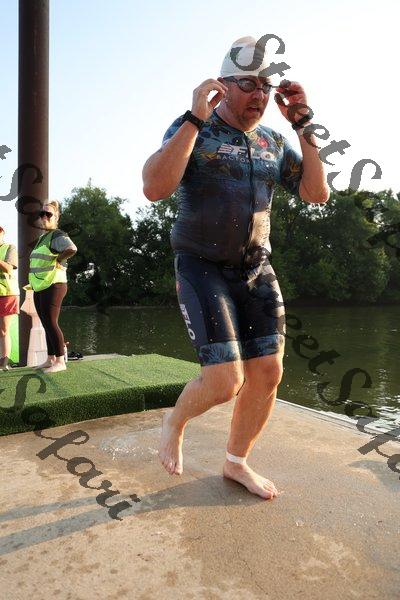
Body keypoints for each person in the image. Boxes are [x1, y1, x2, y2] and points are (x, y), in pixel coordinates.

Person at [142, 36, 330, 500]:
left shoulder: (272, 142)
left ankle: (236, 462)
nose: (259, 95)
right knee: (225, 381)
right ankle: (175, 421)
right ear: (222, 85)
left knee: (268, 372)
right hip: (201, 265)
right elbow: (154, 188)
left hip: (255, 268)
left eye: (266, 86)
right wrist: (193, 118)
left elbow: (316, 194)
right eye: (248, 84)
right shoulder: (194, 128)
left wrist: (304, 125)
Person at [29, 200, 77, 373]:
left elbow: (72, 248)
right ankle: (50, 359)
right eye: (41, 214)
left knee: (50, 321)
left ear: (56, 217)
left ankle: (60, 361)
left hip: (54, 284)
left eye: (48, 214)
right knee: (45, 322)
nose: (44, 217)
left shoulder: (57, 234)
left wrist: (59, 259)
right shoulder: (43, 238)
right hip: (41, 285)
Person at [0, 226, 19, 371]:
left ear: (2, 233)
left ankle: (4, 363)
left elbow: (8, 268)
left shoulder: (10, 247)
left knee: (3, 330)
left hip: (7, 293)